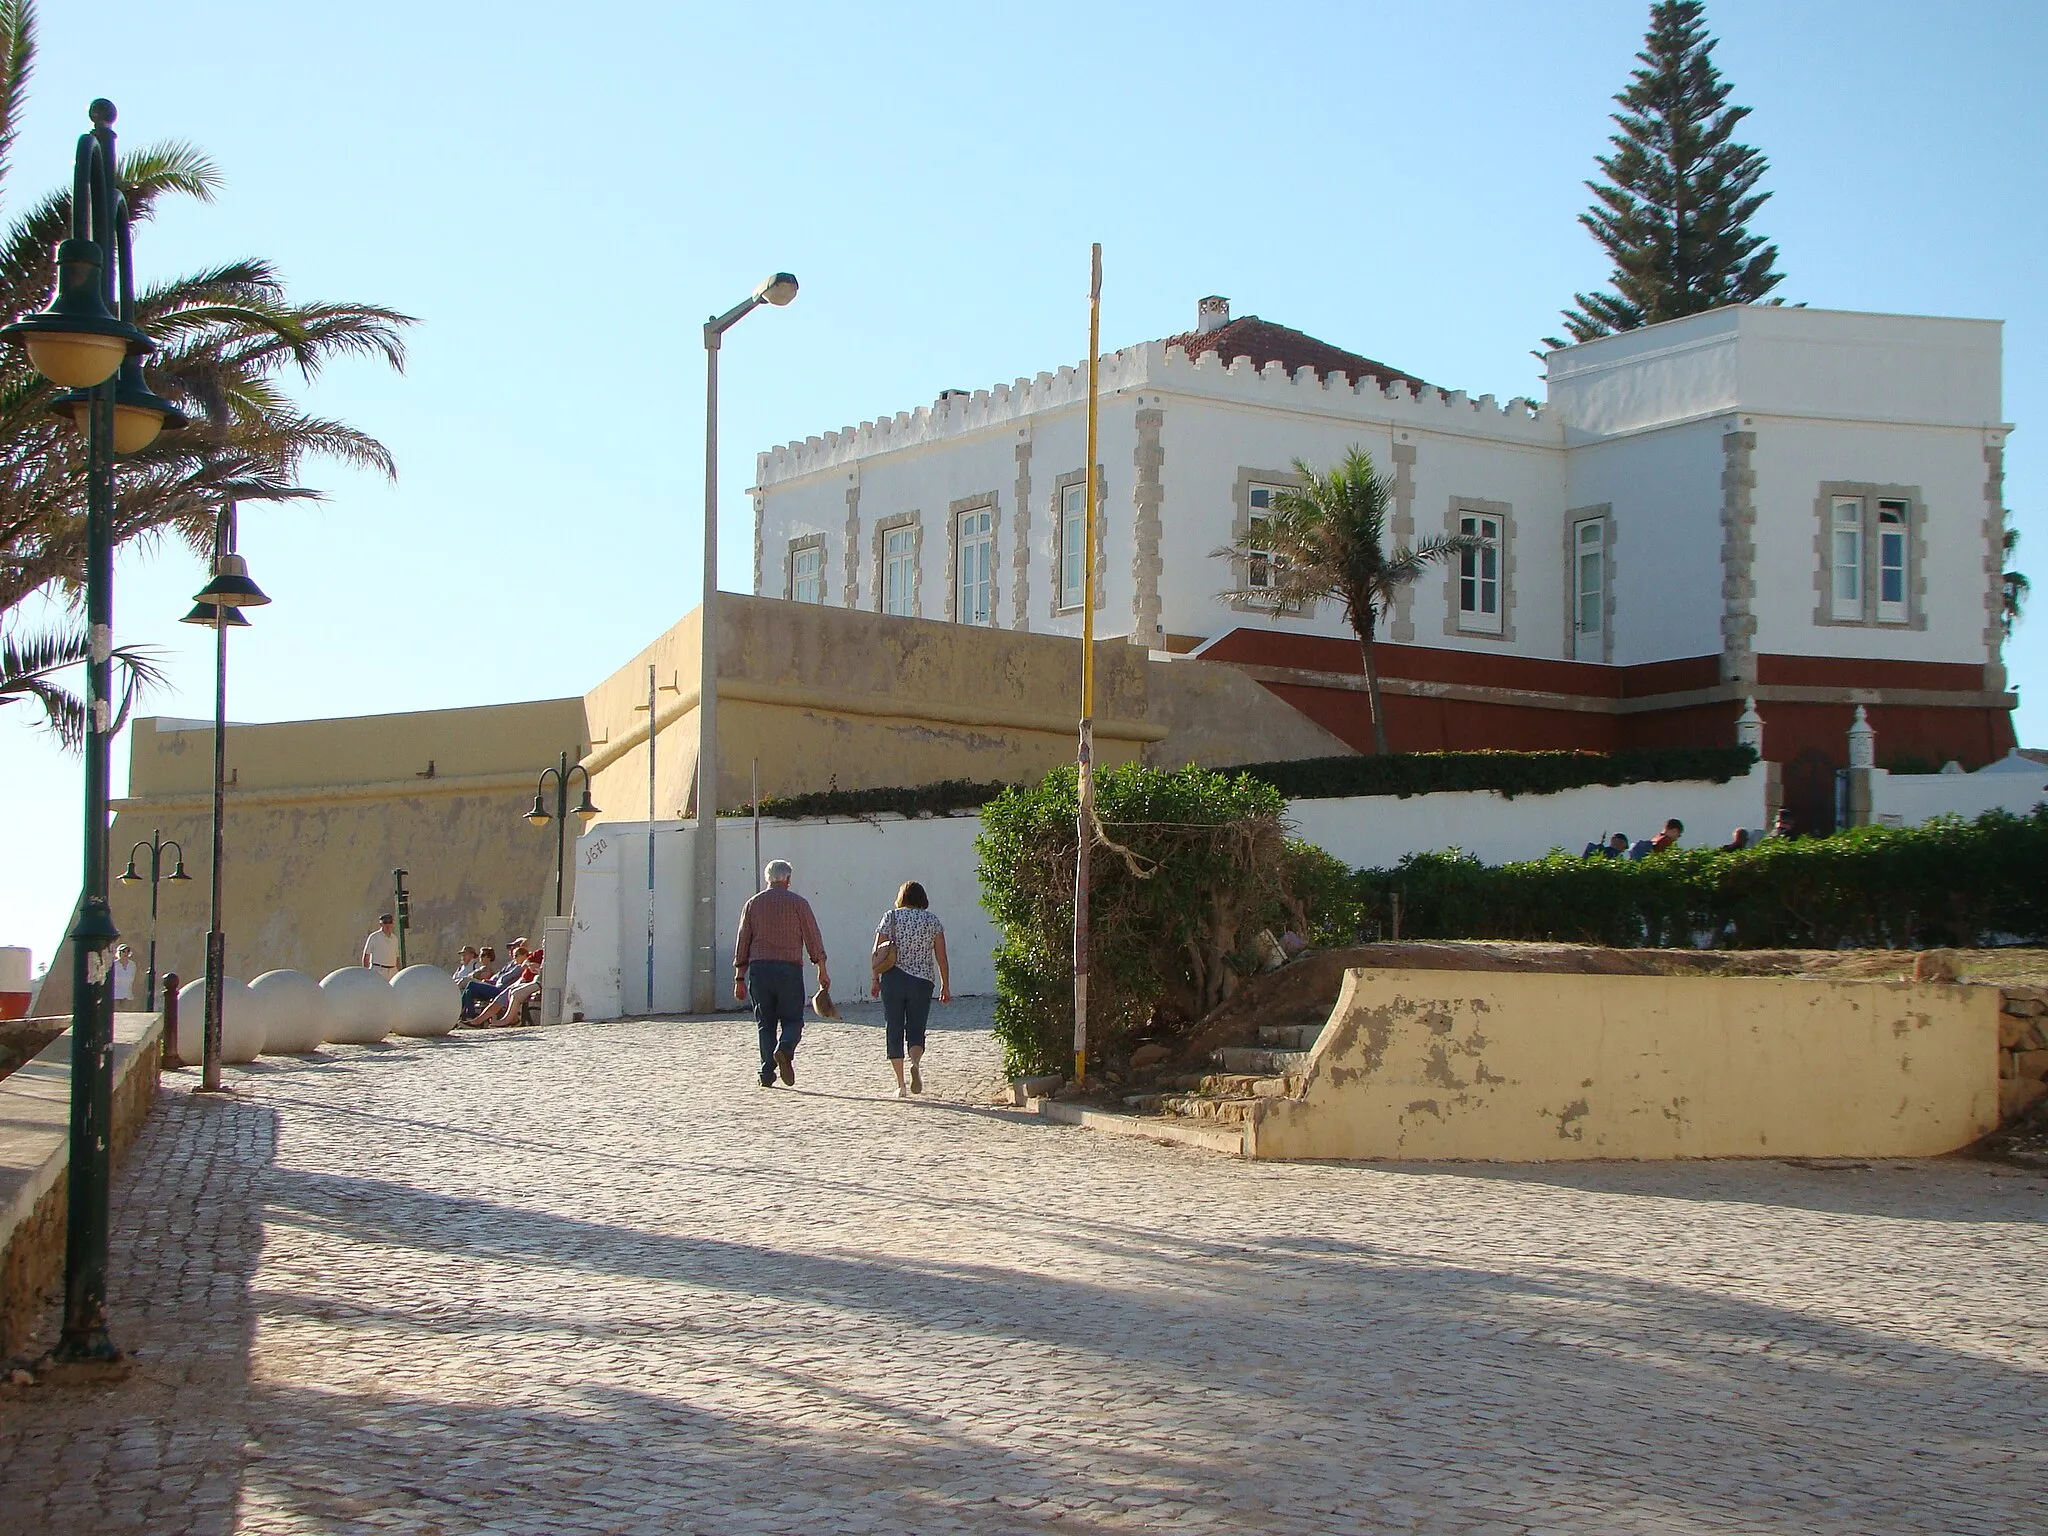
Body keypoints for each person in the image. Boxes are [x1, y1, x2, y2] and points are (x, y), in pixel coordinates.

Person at [734, 859, 829, 1088]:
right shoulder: (799, 904)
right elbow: (812, 937)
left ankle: (767, 1073)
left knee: (765, 1023)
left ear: (768, 878)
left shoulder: (753, 904)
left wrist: (739, 977)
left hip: (759, 969)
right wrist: (821, 969)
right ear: (787, 879)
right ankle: (785, 1048)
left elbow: (743, 940)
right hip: (789, 969)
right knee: (793, 1019)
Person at [870, 880, 951, 1098]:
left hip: (893, 979)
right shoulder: (932, 921)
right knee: (917, 1028)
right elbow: (941, 957)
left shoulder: (891, 917)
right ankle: (915, 1061)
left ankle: (900, 1084)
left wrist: (875, 979)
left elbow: (877, 951)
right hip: (922, 981)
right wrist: (945, 985)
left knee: (894, 1028)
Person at [470, 944, 542, 1028]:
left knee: (508, 993)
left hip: (529, 982)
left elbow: (505, 978)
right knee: (506, 993)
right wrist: (530, 964)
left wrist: (538, 968)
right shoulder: (539, 953)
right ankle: (478, 1020)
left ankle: (478, 1020)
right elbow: (525, 962)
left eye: (516, 955)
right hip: (520, 981)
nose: (514, 957)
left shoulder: (548, 956)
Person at [111, 944, 137, 1011]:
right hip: (116, 993)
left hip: (127, 993)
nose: (126, 953)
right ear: (119, 952)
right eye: (123, 951)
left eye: (127, 951)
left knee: (127, 1013)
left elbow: (132, 977)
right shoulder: (114, 964)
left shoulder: (132, 964)